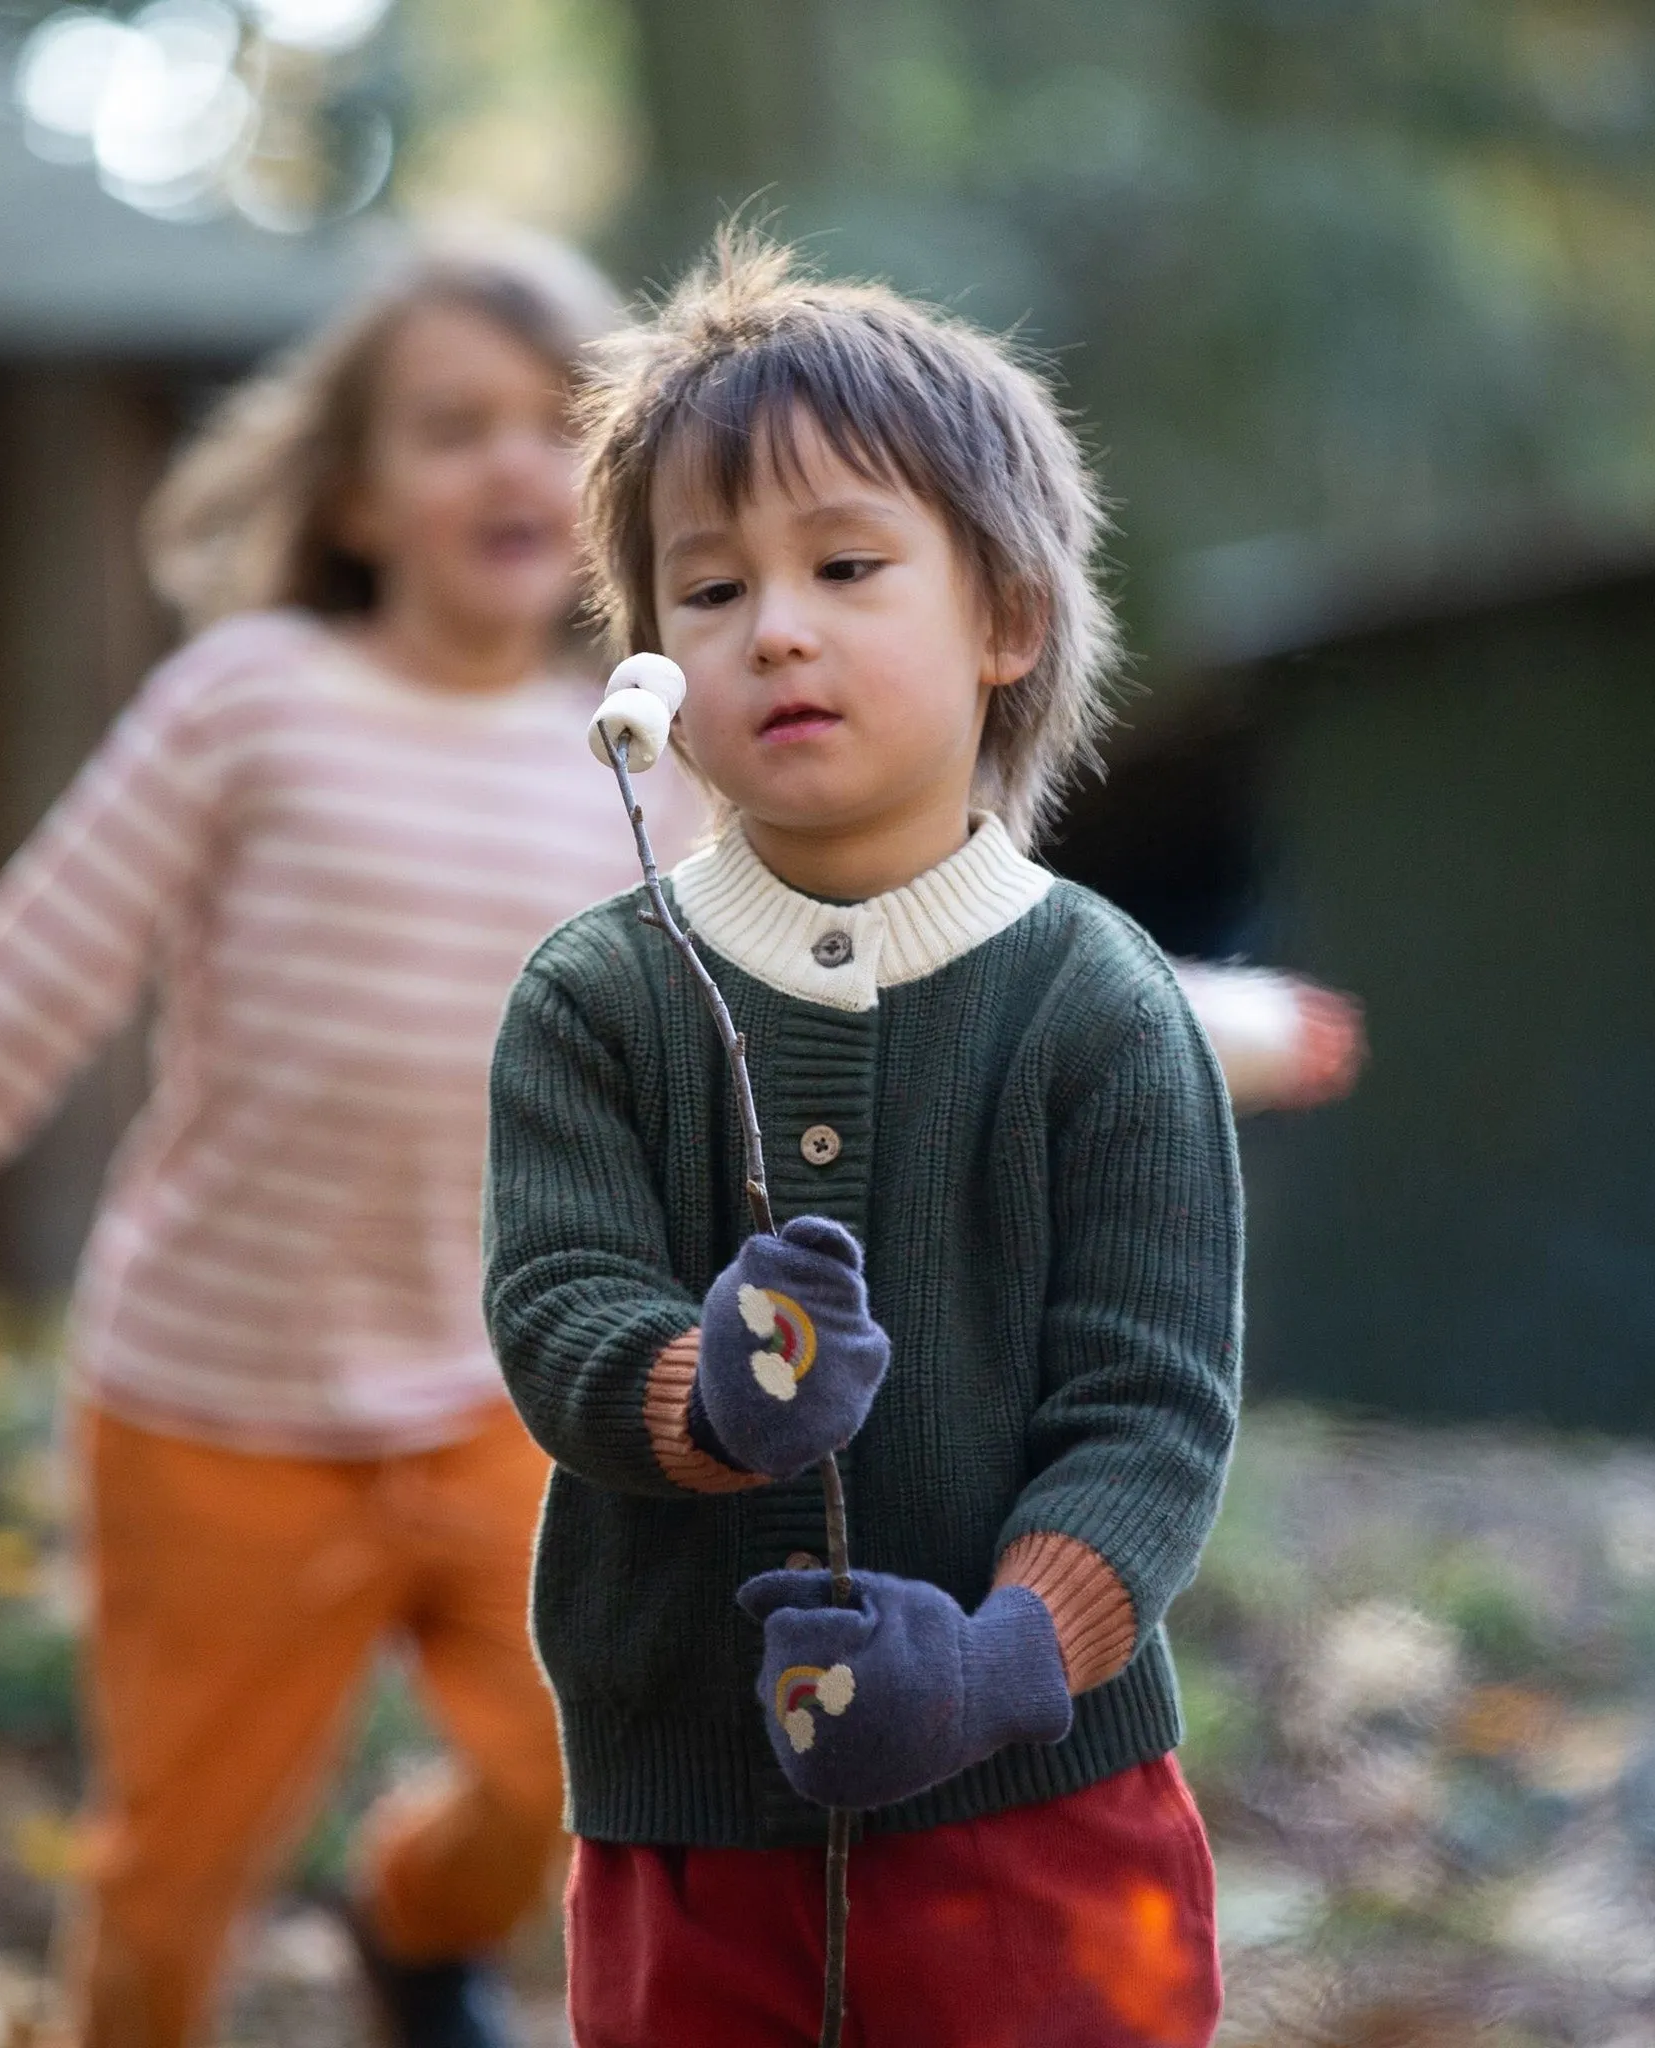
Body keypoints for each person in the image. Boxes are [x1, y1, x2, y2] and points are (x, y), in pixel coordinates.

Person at [484, 232, 1245, 2048]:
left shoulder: (1098, 1007)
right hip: (687, 1818)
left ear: (1004, 622)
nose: (778, 627)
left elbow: (1145, 1418)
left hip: (1037, 1816)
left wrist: (1001, 1664)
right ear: (651, 659)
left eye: (843, 564)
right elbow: (554, 1305)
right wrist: (706, 1393)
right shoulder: (601, 996)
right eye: (711, 586)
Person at [0, 227, 702, 2048]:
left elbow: (870, 956)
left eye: (561, 426)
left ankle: (407, 1921)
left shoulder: (651, 760)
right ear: (360, 495)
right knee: (169, 1883)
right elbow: (29, 979)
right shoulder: (251, 701)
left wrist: (1146, 1014)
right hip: (208, 1412)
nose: (512, 465)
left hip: (504, 1392)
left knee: (583, 1765)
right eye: (450, 427)